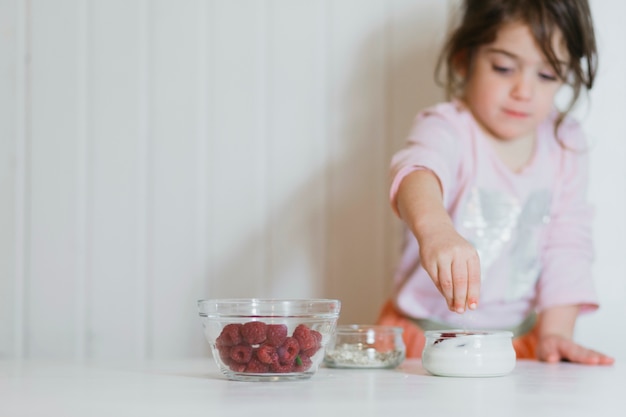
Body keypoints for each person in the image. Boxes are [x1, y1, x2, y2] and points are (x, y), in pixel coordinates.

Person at [377, 0, 614, 365]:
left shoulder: (565, 143)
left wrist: (556, 334)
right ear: (462, 60)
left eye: (548, 75)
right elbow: (418, 171)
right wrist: (437, 230)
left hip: (516, 344)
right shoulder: (448, 127)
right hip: (421, 339)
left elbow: (568, 244)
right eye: (504, 68)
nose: (524, 90)